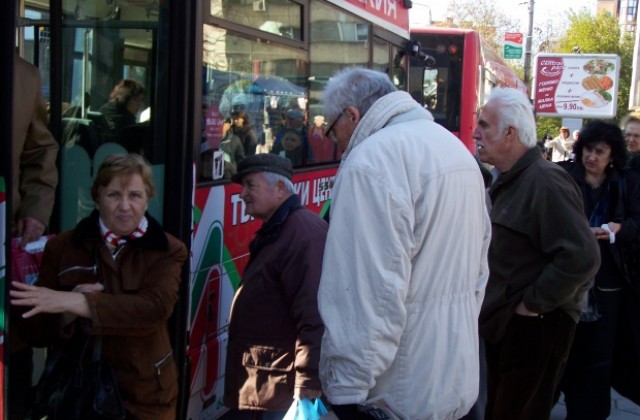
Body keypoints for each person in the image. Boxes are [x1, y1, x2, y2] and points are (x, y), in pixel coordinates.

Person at [317, 67, 491, 419]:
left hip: (397, 391)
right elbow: (479, 273)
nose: (332, 139)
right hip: (453, 375)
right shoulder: (453, 149)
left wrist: (345, 390)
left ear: (352, 115)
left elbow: (366, 294)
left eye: (332, 127)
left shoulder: (372, 161)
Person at [11, 153, 188, 420]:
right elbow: (35, 333)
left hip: (145, 397)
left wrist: (81, 303)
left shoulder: (168, 249)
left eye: (135, 196)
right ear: (97, 197)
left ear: (148, 198)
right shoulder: (62, 247)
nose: (125, 206)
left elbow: (154, 308)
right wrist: (66, 312)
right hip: (78, 393)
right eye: (114, 195)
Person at [473, 87, 600, 420]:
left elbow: (583, 256)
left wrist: (532, 305)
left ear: (510, 133)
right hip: (510, 329)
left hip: (537, 329)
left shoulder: (545, 181)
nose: (476, 132)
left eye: (484, 125)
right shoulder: (511, 179)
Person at [223, 154, 327, 419]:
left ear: (280, 188)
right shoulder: (284, 227)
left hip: (278, 389)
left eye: (250, 185)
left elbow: (313, 315)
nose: (242, 194)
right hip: (266, 381)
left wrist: (307, 381)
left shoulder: (301, 233)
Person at [556, 120, 640, 419]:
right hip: (569, 280)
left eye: (600, 152)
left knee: (599, 356)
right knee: (565, 351)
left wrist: (619, 229)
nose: (592, 157)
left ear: (612, 155)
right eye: (588, 150)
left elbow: (636, 222)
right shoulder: (565, 176)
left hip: (609, 284)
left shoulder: (625, 183)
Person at [10, 53, 59, 420]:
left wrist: (35, 211)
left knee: (15, 345)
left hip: (6, 228)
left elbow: (40, 150)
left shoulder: (23, 75)